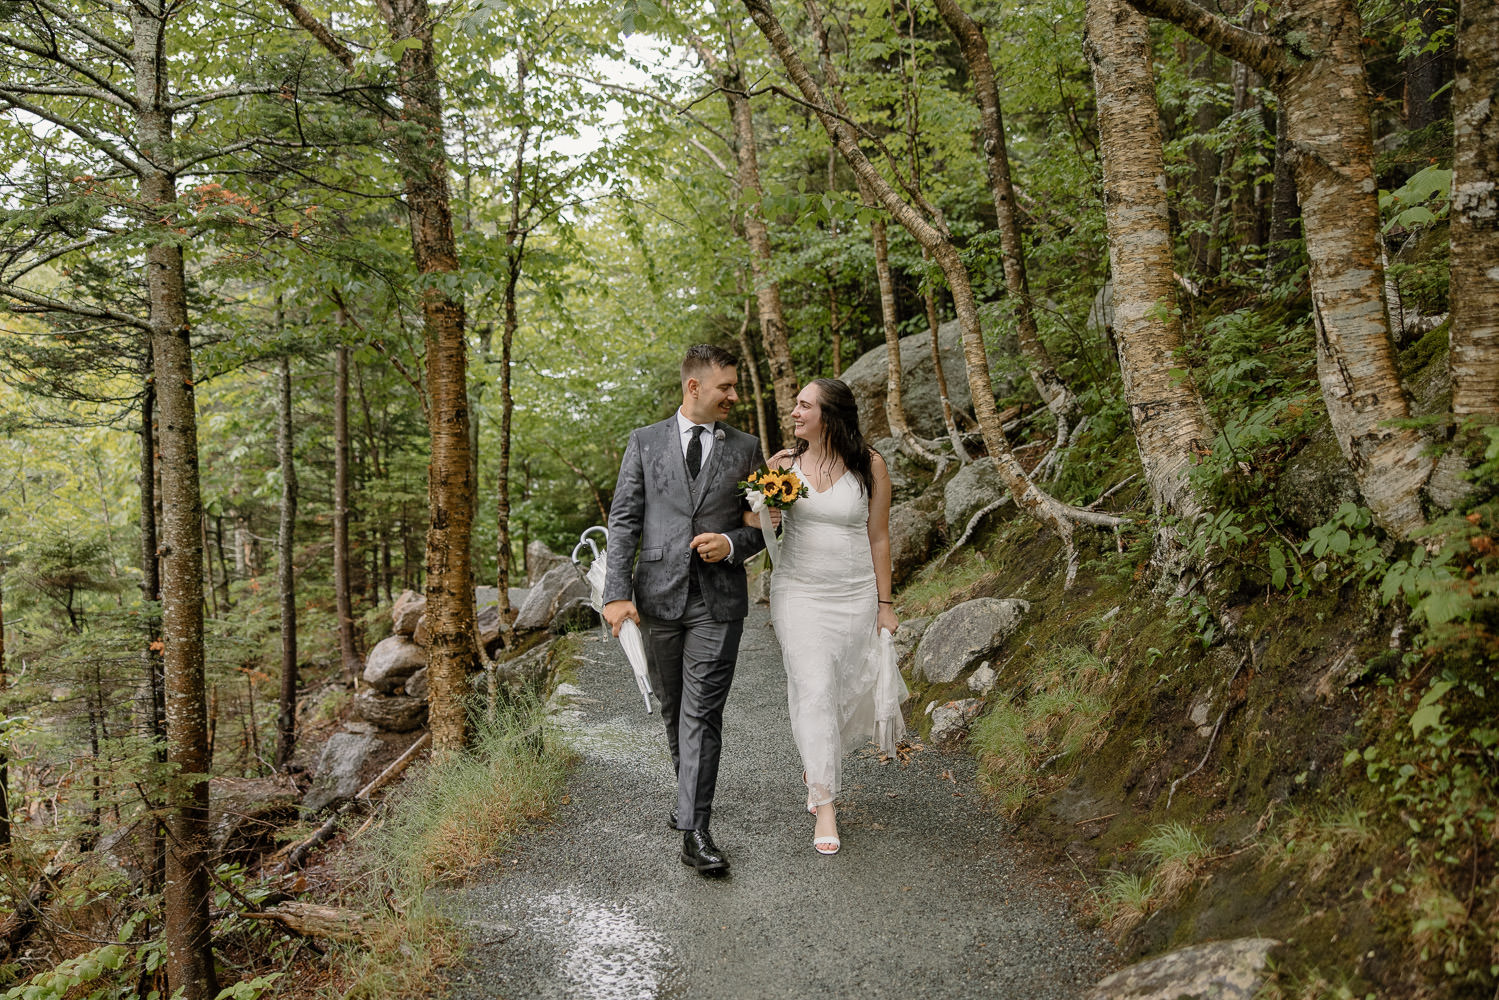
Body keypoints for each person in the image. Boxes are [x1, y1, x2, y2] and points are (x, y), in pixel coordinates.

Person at [602, 344, 766, 876]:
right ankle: (689, 799)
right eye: (726, 387)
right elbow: (624, 520)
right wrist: (615, 594)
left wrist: (733, 544)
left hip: (718, 602)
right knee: (674, 707)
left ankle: (695, 829)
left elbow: (762, 526)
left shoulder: (746, 446)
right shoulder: (644, 443)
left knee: (703, 711)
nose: (733, 396)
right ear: (694, 387)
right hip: (658, 596)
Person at [762, 378, 897, 855]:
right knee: (815, 688)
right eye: (796, 404)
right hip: (798, 592)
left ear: (829, 414)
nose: (794, 412)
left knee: (839, 693)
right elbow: (757, 525)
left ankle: (815, 763)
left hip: (856, 593)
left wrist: (885, 604)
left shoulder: (870, 465)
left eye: (804, 405)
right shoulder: (782, 465)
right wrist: (765, 513)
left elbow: (878, 536)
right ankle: (825, 803)